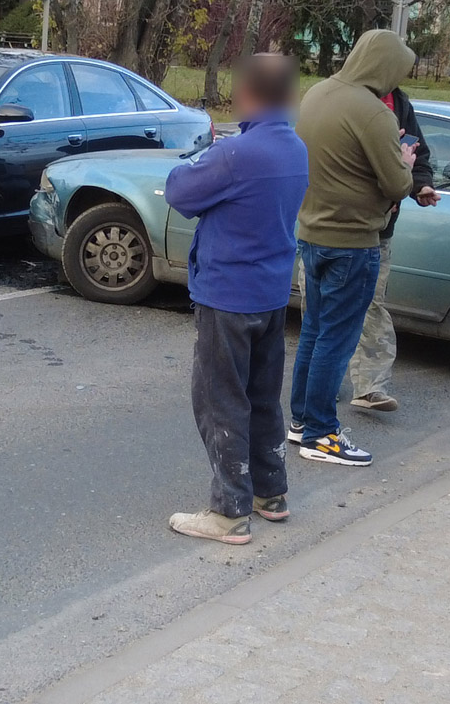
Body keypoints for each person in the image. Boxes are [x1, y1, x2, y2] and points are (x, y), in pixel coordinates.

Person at [164, 55, 309, 545]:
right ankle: (271, 494)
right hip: (269, 293)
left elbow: (179, 191)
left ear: (248, 93)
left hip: (227, 294)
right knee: (262, 398)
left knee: (219, 400)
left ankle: (229, 512)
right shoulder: (294, 148)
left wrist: (207, 153)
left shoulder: (237, 153)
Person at [289, 30, 417, 466]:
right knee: (337, 342)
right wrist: (407, 163)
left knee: (312, 333)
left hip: (311, 235)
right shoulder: (373, 113)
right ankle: (322, 434)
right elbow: (398, 184)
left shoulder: (318, 93)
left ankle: (301, 421)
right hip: (353, 242)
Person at [347, 87, 437, 413]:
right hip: (338, 229)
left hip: (380, 231)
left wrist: (420, 184)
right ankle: (317, 390)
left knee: (371, 306)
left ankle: (370, 388)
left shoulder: (400, 102)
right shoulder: (345, 98)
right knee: (324, 310)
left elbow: (417, 153)